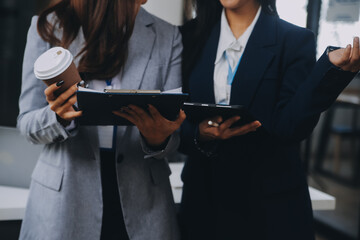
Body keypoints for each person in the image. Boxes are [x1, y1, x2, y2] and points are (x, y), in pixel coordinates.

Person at [178, 0, 360, 239]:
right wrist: (198, 133)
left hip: (269, 209)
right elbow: (171, 121)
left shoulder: (294, 40)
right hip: (204, 204)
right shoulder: (189, 36)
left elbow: (290, 126)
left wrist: (328, 71)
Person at [17, 0, 185, 239]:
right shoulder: (49, 27)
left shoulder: (167, 35)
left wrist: (158, 139)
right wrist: (59, 117)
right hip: (65, 202)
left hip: (144, 204)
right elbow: (26, 124)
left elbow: (173, 134)